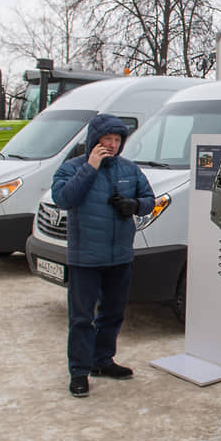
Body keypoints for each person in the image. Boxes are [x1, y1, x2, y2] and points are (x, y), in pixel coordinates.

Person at [52, 113, 155, 398]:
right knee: (82, 318)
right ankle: (79, 372)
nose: (111, 144)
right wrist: (91, 167)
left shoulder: (129, 169)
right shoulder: (72, 168)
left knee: (112, 313)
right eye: (106, 139)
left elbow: (150, 200)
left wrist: (132, 205)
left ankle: (102, 360)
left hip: (120, 256)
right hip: (85, 257)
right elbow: (64, 199)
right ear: (93, 140)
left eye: (117, 139)